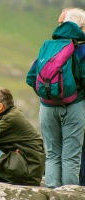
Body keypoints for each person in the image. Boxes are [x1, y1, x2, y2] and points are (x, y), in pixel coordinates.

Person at [26, 8, 85, 188]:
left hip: (46, 108)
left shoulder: (48, 46)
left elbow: (30, 77)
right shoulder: (81, 49)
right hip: (73, 107)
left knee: (52, 155)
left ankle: (51, 193)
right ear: (80, 27)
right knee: (70, 157)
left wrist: (48, 95)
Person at [0, 88, 45, 186]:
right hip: (26, 167)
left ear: (0, 106)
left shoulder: (11, 119)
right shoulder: (10, 114)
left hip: (28, 171)